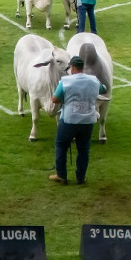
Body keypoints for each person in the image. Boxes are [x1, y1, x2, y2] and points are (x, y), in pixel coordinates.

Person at [50, 54, 106, 185]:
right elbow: (103, 89)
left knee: (61, 145)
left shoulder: (66, 81)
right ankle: (81, 177)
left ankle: (61, 175)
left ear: (73, 67)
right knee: (83, 149)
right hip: (87, 121)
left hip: (69, 120)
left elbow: (55, 99)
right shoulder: (93, 80)